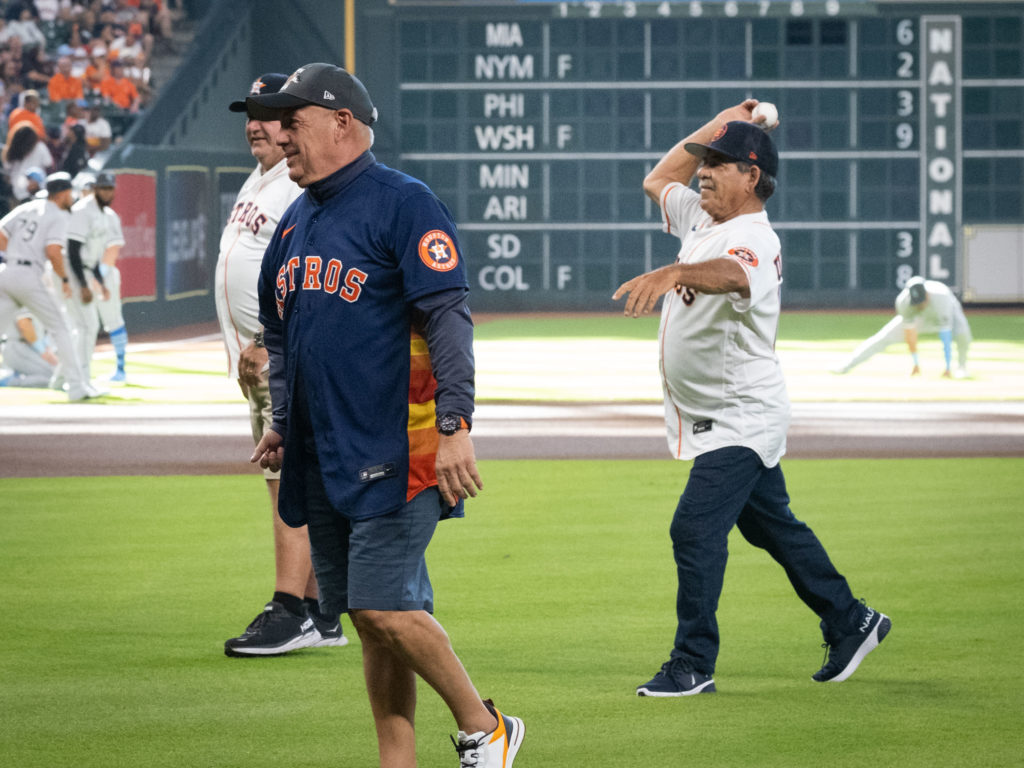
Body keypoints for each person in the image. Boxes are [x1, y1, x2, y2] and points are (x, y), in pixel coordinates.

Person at [247, 63, 524, 767]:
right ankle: (396, 761)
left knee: (380, 608)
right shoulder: (294, 220)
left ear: (343, 122)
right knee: (374, 625)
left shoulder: (403, 203)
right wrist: (282, 418)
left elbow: (448, 320)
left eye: (294, 120)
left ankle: (485, 729)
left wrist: (457, 426)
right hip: (327, 453)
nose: (280, 136)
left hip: (403, 449)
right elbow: (283, 333)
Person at [612, 100, 890, 696]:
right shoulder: (704, 222)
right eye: (708, 161)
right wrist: (715, 126)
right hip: (718, 416)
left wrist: (673, 274)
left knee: (693, 530)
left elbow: (736, 276)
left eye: (720, 162)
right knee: (772, 527)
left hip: (741, 416)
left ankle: (692, 664)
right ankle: (850, 618)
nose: (705, 171)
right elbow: (659, 178)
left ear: (753, 177)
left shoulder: (755, 238)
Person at [217, 72, 347, 657]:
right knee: (300, 482)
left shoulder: (297, 182)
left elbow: (313, 270)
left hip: (281, 357)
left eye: (268, 115)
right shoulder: (265, 177)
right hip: (263, 357)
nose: (255, 124)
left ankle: (289, 609)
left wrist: (274, 341)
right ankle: (321, 613)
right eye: (250, 113)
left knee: (284, 484)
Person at [0, 171, 99, 401]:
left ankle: (75, 384)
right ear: (63, 193)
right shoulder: (59, 215)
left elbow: (1, 235)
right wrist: (64, 279)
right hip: (29, 274)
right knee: (62, 328)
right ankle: (76, 387)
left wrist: (15, 254)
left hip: (7, 272)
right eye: (69, 193)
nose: (71, 198)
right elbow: (53, 252)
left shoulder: (27, 208)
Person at [833, 276, 971, 378]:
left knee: (963, 333)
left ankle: (961, 367)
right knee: (883, 337)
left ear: (927, 294)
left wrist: (947, 368)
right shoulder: (904, 302)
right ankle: (847, 365)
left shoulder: (941, 296)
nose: (919, 304)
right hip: (921, 318)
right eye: (916, 302)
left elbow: (945, 335)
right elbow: (910, 334)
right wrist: (916, 363)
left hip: (947, 314)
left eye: (921, 301)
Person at [64, 170, 129, 383]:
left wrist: (100, 277)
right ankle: (77, 375)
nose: (107, 192)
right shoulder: (83, 211)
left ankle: (119, 369)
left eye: (110, 188)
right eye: (103, 188)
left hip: (101, 272)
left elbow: (113, 249)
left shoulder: (108, 215)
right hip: (84, 271)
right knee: (83, 325)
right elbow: (74, 249)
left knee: (111, 319)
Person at [0, 312, 57, 387]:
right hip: (17, 345)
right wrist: (43, 352)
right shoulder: (29, 300)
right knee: (52, 375)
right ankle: (6, 381)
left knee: (54, 375)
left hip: (25, 347)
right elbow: (24, 325)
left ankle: (14, 375)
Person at [3, 121, 52, 202]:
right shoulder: (40, 147)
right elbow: (48, 163)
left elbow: (7, 167)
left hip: (17, 190)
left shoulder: (12, 150)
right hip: (36, 190)